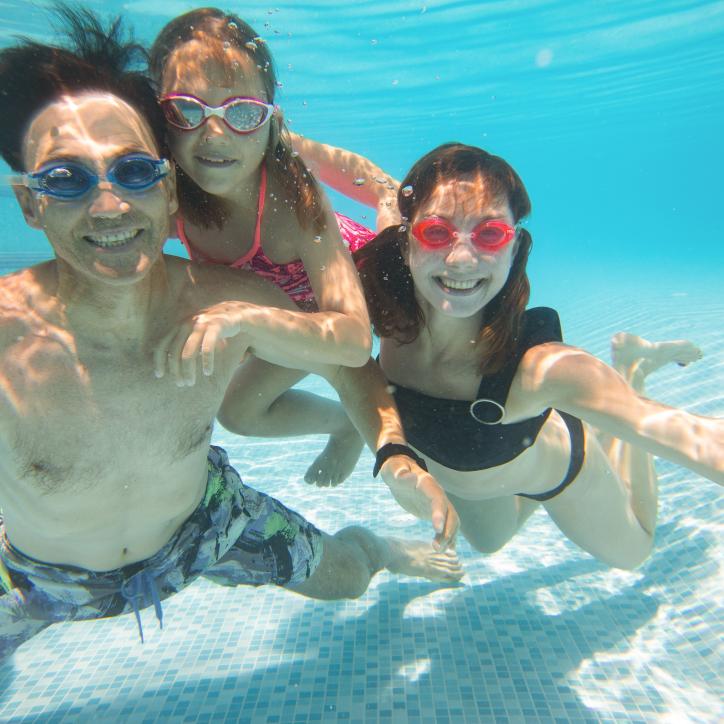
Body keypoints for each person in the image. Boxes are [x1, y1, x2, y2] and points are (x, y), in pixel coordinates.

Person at [0, 12, 461, 663]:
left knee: (349, 577)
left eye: (132, 173)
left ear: (163, 190)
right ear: (30, 202)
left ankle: (378, 548)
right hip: (40, 580)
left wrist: (392, 455)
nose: (108, 208)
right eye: (66, 180)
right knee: (243, 410)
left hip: (211, 522)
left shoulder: (237, 290)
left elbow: (346, 355)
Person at [354, 143, 724, 570]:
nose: (460, 258)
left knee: (634, 553)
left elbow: (690, 436)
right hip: (482, 478)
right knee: (489, 542)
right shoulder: (385, 308)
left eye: (490, 235)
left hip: (556, 470)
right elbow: (368, 180)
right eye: (437, 232)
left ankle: (633, 368)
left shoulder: (542, 370)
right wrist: (264, 123)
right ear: (406, 243)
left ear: (514, 250)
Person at [149, 8, 399, 486]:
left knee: (419, 390)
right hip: (283, 315)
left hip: (363, 287)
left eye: (242, 111)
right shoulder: (164, 193)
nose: (215, 133)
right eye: (185, 108)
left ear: (268, 119)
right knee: (239, 413)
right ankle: (340, 424)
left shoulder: (281, 168)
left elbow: (357, 174)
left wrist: (392, 200)